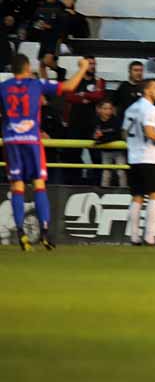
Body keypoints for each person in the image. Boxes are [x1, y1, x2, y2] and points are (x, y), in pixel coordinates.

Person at [2, 55, 88, 251]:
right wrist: (83, 68)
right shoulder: (36, 83)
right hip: (32, 140)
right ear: (27, 67)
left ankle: (21, 234)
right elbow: (68, 87)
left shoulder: (3, 86)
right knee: (39, 184)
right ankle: (45, 233)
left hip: (11, 141)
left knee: (17, 186)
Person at [123, 79, 155, 246]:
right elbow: (150, 133)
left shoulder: (132, 108)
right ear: (147, 90)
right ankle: (150, 236)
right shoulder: (150, 109)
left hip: (134, 157)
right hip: (150, 157)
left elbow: (124, 132)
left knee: (137, 196)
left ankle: (134, 236)